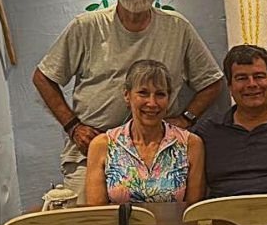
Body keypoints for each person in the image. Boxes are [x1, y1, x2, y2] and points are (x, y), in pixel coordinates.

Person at [33, 0, 223, 204]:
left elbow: (213, 81)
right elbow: (43, 77)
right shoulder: (86, 27)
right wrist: (73, 126)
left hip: (159, 155)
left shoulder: (177, 28)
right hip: (89, 152)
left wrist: (186, 119)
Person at [191, 45, 267, 197]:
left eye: (259, 76)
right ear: (230, 86)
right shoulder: (206, 132)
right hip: (222, 218)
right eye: (241, 78)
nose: (251, 84)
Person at [85, 60, 205, 204]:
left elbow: (194, 213)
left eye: (160, 94)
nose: (152, 103)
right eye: (143, 93)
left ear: (169, 98)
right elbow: (97, 216)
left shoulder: (190, 144)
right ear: (127, 95)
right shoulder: (102, 145)